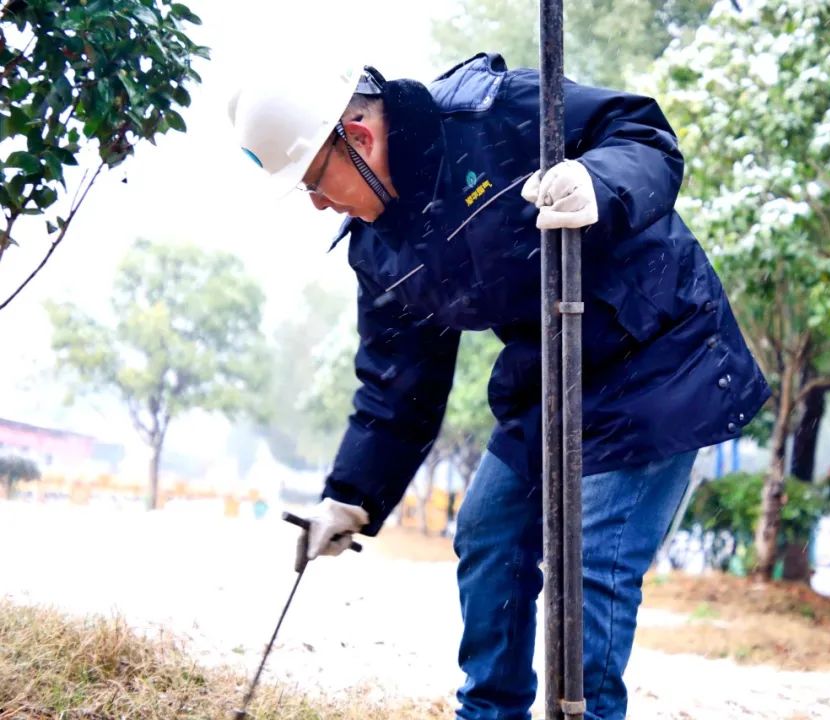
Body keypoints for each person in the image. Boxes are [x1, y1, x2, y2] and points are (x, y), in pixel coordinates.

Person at [229, 52, 769, 720]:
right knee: (489, 531)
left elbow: (643, 136)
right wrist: (350, 497)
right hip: (551, 374)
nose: (318, 203)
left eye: (315, 180)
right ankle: (489, 713)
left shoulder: (494, 111)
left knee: (590, 568)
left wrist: (596, 181)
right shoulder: (381, 248)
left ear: (358, 137)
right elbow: (399, 385)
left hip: (658, 358)